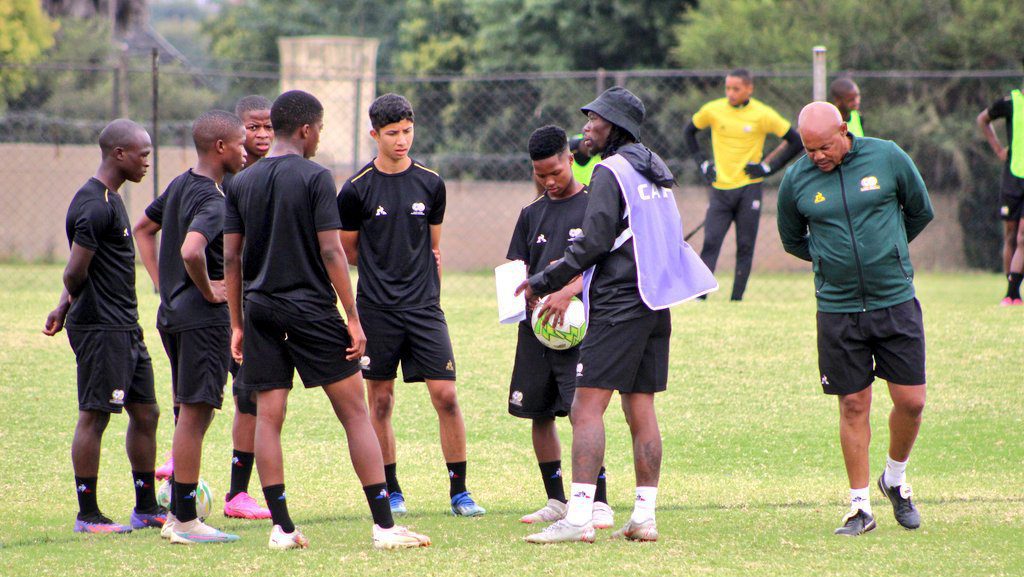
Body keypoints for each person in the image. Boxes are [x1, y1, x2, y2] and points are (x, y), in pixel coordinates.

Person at [224, 90, 430, 550]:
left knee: (268, 418)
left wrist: (237, 323)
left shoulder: (241, 182)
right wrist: (353, 319)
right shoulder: (316, 176)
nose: (319, 138)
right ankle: (384, 527)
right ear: (305, 129)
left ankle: (281, 528)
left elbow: (231, 258)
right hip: (310, 309)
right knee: (355, 413)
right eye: (318, 129)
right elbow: (332, 250)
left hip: (259, 308)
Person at [517, 87, 716, 544]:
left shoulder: (611, 170)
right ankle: (644, 517)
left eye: (596, 121)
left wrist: (544, 279)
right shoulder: (654, 167)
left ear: (617, 128)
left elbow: (592, 243)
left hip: (620, 301)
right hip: (655, 299)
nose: (586, 127)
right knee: (640, 405)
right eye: (587, 119)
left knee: (586, 405)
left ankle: (580, 515)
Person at [777, 102, 933, 536]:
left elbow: (919, 211)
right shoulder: (796, 179)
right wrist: (831, 261)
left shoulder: (887, 156)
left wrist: (889, 251)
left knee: (912, 401)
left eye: (824, 147)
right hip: (838, 308)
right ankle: (860, 507)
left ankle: (895, 479)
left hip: (895, 301)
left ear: (844, 131)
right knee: (852, 404)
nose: (817, 157)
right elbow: (793, 239)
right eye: (809, 150)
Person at [339, 93, 485, 519]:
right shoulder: (355, 189)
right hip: (377, 310)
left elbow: (432, 246)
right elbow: (348, 252)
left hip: (424, 309)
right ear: (374, 135)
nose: (402, 140)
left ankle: (460, 492)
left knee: (447, 396)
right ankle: (391, 490)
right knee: (380, 402)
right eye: (392, 133)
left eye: (407, 131)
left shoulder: (431, 183)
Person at [43, 118, 164, 534]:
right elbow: (75, 271)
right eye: (142, 154)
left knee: (146, 413)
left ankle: (146, 507)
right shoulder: (94, 204)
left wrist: (62, 307)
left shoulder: (113, 199)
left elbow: (85, 271)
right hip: (102, 328)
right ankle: (88, 515)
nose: (147, 161)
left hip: (125, 325)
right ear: (119, 153)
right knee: (95, 416)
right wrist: (69, 303)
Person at [133, 110, 247, 543]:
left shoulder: (182, 183)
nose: (245, 149)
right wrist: (207, 290)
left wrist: (165, 286)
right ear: (220, 147)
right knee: (195, 415)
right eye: (239, 142)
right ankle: (184, 520)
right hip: (201, 320)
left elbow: (143, 228)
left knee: (188, 409)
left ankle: (179, 514)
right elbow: (191, 249)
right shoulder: (215, 199)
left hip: (173, 316)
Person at [506, 125, 614, 530]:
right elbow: (519, 267)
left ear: (570, 158)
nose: (549, 181)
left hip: (581, 332)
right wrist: (526, 295)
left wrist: (568, 290)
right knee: (539, 413)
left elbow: (603, 262)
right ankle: (555, 499)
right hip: (536, 330)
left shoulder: (593, 207)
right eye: (540, 175)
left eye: (555, 171)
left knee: (582, 413)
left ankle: (598, 501)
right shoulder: (531, 214)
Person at [684, 68, 803, 301]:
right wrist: (702, 164)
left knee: (745, 245)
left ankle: (736, 299)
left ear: (749, 88)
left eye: (736, 88)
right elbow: (689, 132)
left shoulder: (762, 114)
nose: (731, 93)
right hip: (720, 189)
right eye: (728, 88)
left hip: (750, 189)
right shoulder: (713, 110)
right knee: (711, 241)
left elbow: (795, 141)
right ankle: (701, 295)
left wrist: (767, 168)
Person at [222, 95, 275, 519]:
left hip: (264, 305)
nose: (260, 135)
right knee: (240, 398)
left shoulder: (276, 176)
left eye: (267, 127)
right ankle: (232, 493)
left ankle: (236, 493)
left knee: (251, 398)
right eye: (252, 128)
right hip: (230, 308)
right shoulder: (227, 179)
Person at [978, 83, 1024, 305]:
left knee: (1023, 235)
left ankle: (1013, 292)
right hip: (1012, 179)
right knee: (1011, 234)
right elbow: (982, 119)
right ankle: (1011, 291)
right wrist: (998, 149)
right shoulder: (1010, 103)